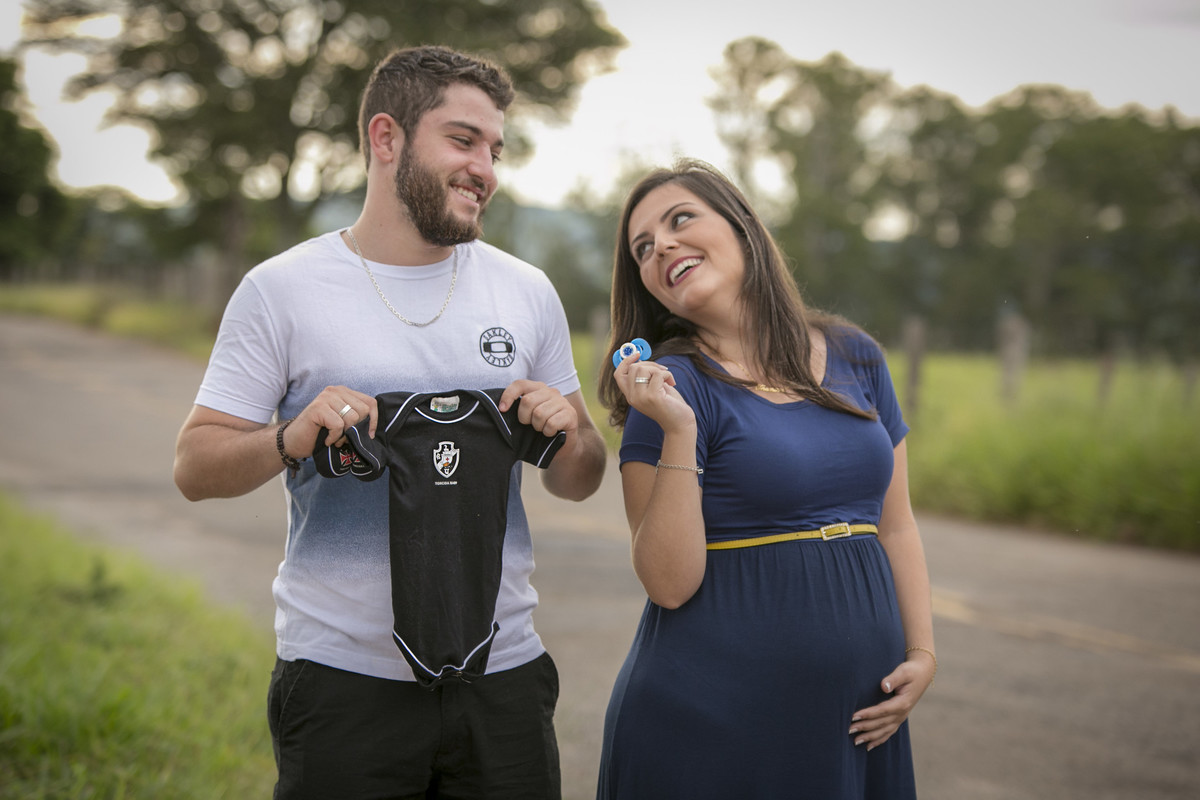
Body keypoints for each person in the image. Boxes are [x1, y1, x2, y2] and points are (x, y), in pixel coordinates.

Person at [173, 45, 607, 799]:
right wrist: (289, 437)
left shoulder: (527, 292)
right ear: (386, 139)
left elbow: (581, 477)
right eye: (463, 140)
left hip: (502, 682)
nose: (487, 169)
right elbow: (194, 467)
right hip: (343, 685)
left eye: (495, 150)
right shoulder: (280, 291)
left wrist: (568, 433)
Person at [595, 159, 935, 799]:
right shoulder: (670, 391)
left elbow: (897, 524)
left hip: (858, 725)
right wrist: (678, 430)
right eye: (643, 247)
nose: (661, 245)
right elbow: (669, 584)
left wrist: (923, 653)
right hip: (709, 727)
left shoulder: (857, 354)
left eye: (680, 219)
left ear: (743, 226)